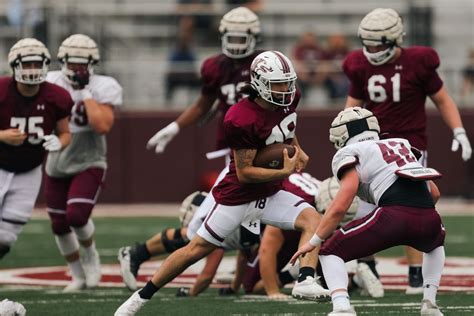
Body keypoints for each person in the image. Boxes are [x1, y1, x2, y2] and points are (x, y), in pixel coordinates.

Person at [114, 51, 330, 316]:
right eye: (279, 84)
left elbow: (287, 129)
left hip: (271, 193)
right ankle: (140, 297)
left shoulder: (290, 99)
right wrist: (283, 172)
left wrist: (298, 150)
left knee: (314, 220)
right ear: (260, 83)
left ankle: (305, 279)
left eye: (288, 82)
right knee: (195, 248)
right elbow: (245, 173)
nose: (287, 90)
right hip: (238, 196)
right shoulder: (240, 118)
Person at [342, 7, 471, 294]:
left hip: (409, 145)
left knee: (412, 207)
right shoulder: (359, 64)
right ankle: (368, 268)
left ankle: (415, 273)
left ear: (394, 39)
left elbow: (442, 99)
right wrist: (343, 137)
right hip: (371, 143)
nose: (371, 49)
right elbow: (352, 106)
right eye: (368, 43)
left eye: (378, 43)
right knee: (363, 208)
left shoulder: (419, 61)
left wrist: (459, 130)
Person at [291, 107, 446, 316]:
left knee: (329, 251)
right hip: (429, 216)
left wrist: (313, 242)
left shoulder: (350, 152)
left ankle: (342, 307)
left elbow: (340, 205)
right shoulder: (401, 144)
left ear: (342, 136)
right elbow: (434, 193)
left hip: (394, 215)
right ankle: (430, 303)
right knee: (435, 244)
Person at [44, 34, 123, 292]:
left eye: (82, 64)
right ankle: (77, 274)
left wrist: (84, 91)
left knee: (77, 216)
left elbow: (102, 126)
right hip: (57, 160)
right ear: (62, 61)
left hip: (90, 159)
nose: (77, 69)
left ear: (93, 63)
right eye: (72, 63)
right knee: (58, 224)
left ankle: (90, 256)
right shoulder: (50, 81)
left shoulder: (104, 85)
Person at [0, 38, 72, 260]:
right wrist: (2, 136)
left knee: (5, 238)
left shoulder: (57, 96)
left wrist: (59, 143)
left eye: (36, 64)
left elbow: (65, 132)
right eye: (27, 64)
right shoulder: (2, 90)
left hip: (29, 170)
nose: (32, 70)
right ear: (15, 65)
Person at [118, 190, 260, 296]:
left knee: (252, 286)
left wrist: (191, 292)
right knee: (189, 239)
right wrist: (233, 287)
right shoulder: (225, 225)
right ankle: (137, 253)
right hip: (256, 228)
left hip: (259, 230)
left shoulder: (219, 225)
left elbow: (207, 276)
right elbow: (244, 251)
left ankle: (137, 253)